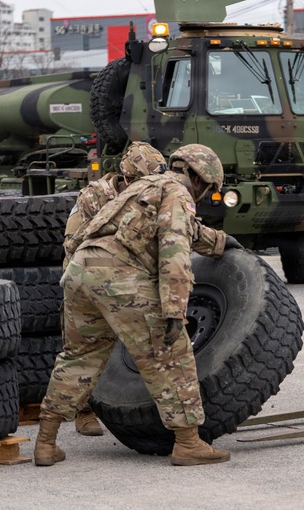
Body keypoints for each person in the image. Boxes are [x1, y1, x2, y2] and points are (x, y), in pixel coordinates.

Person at [35, 143, 240, 467]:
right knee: (171, 354)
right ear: (199, 179)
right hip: (119, 275)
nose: (205, 195)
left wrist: (219, 241)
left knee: (79, 357)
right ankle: (188, 443)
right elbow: (174, 250)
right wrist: (174, 310)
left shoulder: (142, 187)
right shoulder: (178, 192)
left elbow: (180, 229)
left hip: (81, 270)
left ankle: (46, 442)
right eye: (209, 188)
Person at [62, 141, 167, 438]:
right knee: (86, 347)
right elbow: (74, 245)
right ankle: (83, 410)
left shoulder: (155, 195)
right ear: (128, 178)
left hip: (135, 276)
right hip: (91, 276)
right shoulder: (94, 197)